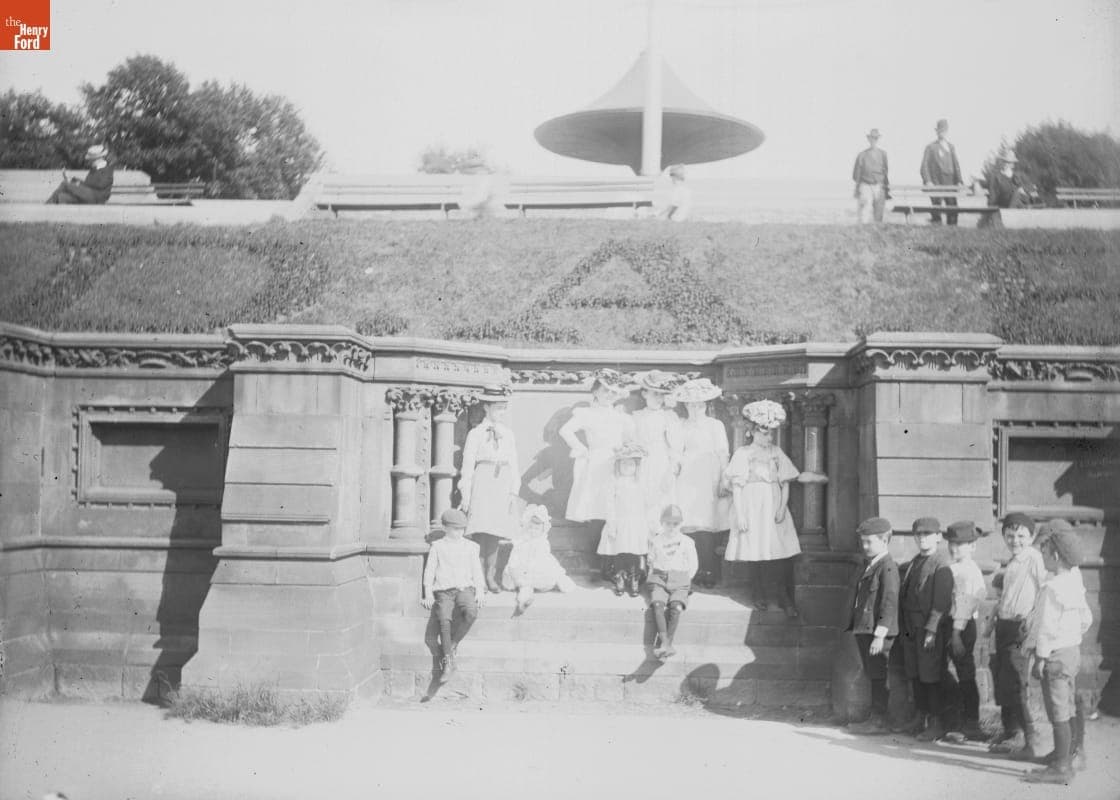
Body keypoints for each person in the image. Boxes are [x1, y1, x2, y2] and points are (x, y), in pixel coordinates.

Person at [1022, 519, 1093, 785]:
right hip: (1071, 651)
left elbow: (1046, 630)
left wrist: (1041, 658)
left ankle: (1061, 767)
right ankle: (1067, 753)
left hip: (1053, 655)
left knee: (1057, 710)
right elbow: (1086, 619)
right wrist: (1072, 636)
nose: (1041, 557)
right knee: (1069, 705)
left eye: (1043, 552)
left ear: (1054, 554)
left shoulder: (1052, 588)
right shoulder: (1075, 579)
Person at [722, 399, 801, 617]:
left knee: (777, 548)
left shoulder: (776, 453)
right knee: (755, 548)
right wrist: (740, 514)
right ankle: (758, 592)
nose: (768, 438)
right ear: (752, 432)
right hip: (751, 505)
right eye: (763, 433)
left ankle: (784, 596)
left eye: (770, 434)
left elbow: (785, 482)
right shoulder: (743, 454)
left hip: (773, 503)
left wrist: (782, 508)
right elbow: (737, 487)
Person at [560, 368, 634, 583]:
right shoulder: (586, 414)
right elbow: (565, 431)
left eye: (613, 392)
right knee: (596, 514)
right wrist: (581, 448)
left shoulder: (621, 417)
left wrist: (625, 454)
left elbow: (629, 439)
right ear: (595, 392)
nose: (608, 395)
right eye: (604, 390)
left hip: (616, 464)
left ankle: (612, 564)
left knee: (616, 514)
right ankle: (597, 565)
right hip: (596, 465)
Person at [988, 512, 1047, 759]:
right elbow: (1007, 595)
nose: (1015, 541)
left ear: (1031, 536)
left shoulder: (1033, 558)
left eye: (1021, 536)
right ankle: (1011, 730)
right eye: (1010, 536)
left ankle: (1030, 739)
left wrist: (1032, 622)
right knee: (1001, 676)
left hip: (1020, 629)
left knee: (1015, 679)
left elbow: (1044, 590)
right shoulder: (1012, 562)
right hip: (1003, 625)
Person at [896, 517, 954, 742]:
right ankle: (920, 717)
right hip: (911, 629)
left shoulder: (941, 564)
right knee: (915, 674)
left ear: (938, 537)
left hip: (930, 631)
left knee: (930, 676)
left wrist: (931, 631)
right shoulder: (914, 562)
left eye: (928, 534)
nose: (922, 538)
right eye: (918, 535)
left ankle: (936, 723)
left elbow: (941, 603)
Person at [459, 384, 520, 593]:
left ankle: (491, 575)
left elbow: (514, 464)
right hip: (483, 481)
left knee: (495, 531)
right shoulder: (476, 433)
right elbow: (467, 466)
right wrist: (465, 495)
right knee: (479, 531)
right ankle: (479, 577)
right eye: (497, 408)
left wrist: (514, 491)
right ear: (487, 407)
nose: (501, 413)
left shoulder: (508, 434)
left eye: (504, 408)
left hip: (502, 482)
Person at [671, 378, 730, 589]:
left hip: (709, 474)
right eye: (691, 404)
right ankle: (693, 568)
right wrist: (674, 468)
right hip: (688, 474)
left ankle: (709, 569)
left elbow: (723, 452)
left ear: (706, 405)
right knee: (690, 521)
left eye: (700, 404)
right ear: (686, 405)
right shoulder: (681, 425)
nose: (696, 408)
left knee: (707, 522)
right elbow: (677, 451)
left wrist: (724, 477)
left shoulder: (715, 425)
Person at [847, 517, 900, 735]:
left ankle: (879, 720)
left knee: (879, 674)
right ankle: (875, 718)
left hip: (877, 633)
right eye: (863, 541)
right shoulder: (871, 564)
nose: (865, 546)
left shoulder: (887, 567)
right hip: (865, 629)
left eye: (869, 542)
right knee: (873, 673)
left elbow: (889, 601)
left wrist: (880, 635)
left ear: (884, 540)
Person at [421, 508, 486, 684]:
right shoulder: (438, 546)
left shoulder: (471, 547)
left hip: (464, 588)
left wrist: (480, 590)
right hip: (444, 590)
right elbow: (430, 571)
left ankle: (453, 643)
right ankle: (448, 663)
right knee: (444, 618)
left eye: (461, 529)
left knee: (472, 611)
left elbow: (476, 571)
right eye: (454, 529)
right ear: (445, 528)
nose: (458, 533)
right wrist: (428, 593)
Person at [942, 520, 989, 742]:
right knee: (956, 672)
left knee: (966, 675)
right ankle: (956, 720)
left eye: (960, 544)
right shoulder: (954, 568)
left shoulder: (969, 572)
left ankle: (971, 723)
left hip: (961, 626)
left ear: (973, 546)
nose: (954, 548)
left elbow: (966, 604)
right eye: (951, 543)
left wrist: (956, 633)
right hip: (951, 624)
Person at [599, 441, 653, 597]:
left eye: (631, 464)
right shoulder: (614, 482)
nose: (627, 467)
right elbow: (609, 505)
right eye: (624, 464)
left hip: (637, 522)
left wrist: (650, 524)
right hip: (620, 521)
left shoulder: (641, 483)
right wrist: (611, 524)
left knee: (635, 552)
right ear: (618, 465)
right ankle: (620, 577)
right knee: (620, 551)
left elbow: (648, 504)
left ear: (637, 466)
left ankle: (634, 578)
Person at [501, 504, 576, 615]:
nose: (533, 531)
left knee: (555, 573)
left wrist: (533, 565)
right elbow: (518, 541)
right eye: (531, 527)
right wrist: (510, 542)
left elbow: (543, 556)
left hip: (538, 567)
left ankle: (564, 584)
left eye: (536, 528)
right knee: (525, 584)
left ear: (543, 529)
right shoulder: (526, 537)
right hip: (524, 567)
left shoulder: (542, 541)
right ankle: (523, 601)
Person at [646, 505, 699, 660]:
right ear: (662, 523)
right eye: (668, 523)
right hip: (659, 579)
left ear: (680, 524)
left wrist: (685, 581)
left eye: (675, 524)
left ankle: (666, 645)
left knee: (676, 607)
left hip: (680, 579)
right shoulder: (656, 541)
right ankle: (665, 643)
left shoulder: (687, 542)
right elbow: (652, 561)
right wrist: (652, 577)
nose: (671, 527)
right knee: (657, 605)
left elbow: (693, 564)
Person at [630, 370, 683, 515]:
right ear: (644, 394)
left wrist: (670, 472)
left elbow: (676, 448)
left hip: (661, 463)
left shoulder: (669, 417)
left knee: (661, 501)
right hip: (641, 464)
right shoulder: (636, 416)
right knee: (641, 502)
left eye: (661, 394)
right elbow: (631, 442)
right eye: (655, 394)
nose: (659, 398)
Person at [920, 119, 963, 225]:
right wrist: (928, 181)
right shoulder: (931, 147)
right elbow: (924, 166)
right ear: (936, 131)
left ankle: (952, 232)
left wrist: (959, 181)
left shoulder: (951, 147)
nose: (942, 132)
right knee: (936, 210)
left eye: (944, 130)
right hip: (936, 183)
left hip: (950, 183)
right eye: (940, 130)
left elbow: (956, 165)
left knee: (952, 209)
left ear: (947, 131)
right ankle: (937, 231)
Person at [45, 144, 114, 205]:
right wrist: (74, 180)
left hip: (97, 197)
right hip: (90, 194)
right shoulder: (94, 169)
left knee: (65, 184)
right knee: (62, 197)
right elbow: (88, 184)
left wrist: (78, 184)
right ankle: (56, 216)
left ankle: (45, 207)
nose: (89, 161)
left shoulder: (107, 169)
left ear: (97, 159)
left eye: (91, 160)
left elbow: (100, 185)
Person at [852, 128, 890, 224]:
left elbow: (885, 171)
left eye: (876, 138)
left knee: (879, 212)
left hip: (879, 185)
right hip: (865, 185)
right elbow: (856, 174)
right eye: (872, 138)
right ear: (868, 139)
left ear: (878, 139)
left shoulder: (883, 154)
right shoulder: (862, 155)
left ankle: (877, 232)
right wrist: (858, 187)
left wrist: (885, 187)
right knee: (864, 213)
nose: (874, 140)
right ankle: (863, 232)